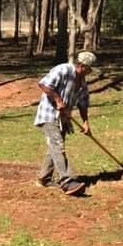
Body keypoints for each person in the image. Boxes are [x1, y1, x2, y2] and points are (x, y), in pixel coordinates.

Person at [33, 51, 97, 195]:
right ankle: (67, 181)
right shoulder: (63, 69)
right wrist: (58, 100)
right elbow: (44, 84)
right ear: (81, 65)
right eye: (89, 69)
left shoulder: (82, 82)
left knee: (54, 148)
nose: (90, 72)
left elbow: (83, 104)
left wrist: (86, 122)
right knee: (57, 146)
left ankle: (44, 178)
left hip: (63, 119)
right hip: (49, 114)